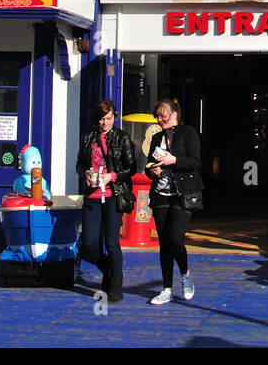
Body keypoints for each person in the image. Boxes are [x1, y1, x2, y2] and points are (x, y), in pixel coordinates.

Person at [75, 99, 137, 303]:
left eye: (109, 118)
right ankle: (107, 268)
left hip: (113, 195)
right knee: (89, 243)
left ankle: (115, 288)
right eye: (102, 119)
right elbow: (79, 164)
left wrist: (113, 176)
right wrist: (85, 172)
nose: (105, 123)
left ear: (114, 117)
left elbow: (131, 167)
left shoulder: (122, 138)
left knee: (112, 242)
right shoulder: (88, 138)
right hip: (92, 195)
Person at [144, 98, 202, 304]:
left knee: (175, 239)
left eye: (163, 116)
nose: (160, 120)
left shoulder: (188, 133)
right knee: (164, 243)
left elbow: (195, 162)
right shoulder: (157, 137)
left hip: (182, 193)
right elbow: (148, 164)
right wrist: (153, 170)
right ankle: (166, 288)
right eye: (157, 117)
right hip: (160, 193)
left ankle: (185, 274)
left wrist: (173, 160)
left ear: (175, 114)